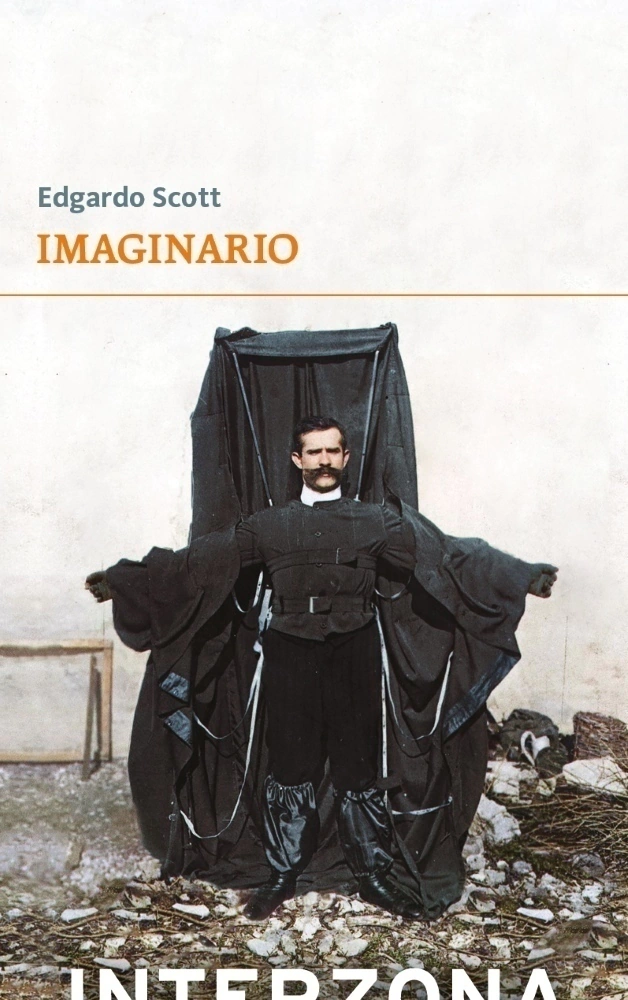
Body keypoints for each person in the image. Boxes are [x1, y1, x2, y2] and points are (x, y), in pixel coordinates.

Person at [86, 416, 558, 922]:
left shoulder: (374, 521)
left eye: (333, 451)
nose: (324, 460)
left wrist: (521, 575)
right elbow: (198, 564)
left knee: (358, 766)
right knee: (290, 766)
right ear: (297, 460)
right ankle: (283, 872)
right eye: (314, 452)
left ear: (346, 458)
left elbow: (447, 554)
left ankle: (372, 874)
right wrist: (124, 582)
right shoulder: (270, 525)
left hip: (355, 652)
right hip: (290, 654)